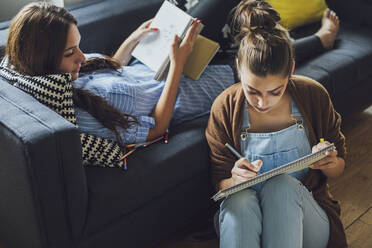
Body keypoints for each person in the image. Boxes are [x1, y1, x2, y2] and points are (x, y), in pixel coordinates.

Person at [205, 1, 346, 247]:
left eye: (275, 91)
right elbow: (221, 183)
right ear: (238, 68)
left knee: (280, 187)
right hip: (248, 217)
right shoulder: (225, 106)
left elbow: (338, 168)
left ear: (290, 70)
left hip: (306, 218)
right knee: (238, 199)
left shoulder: (313, 95)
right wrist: (235, 179)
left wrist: (330, 162)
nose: (262, 102)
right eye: (252, 91)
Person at [3, 1, 235, 147]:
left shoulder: (64, 72)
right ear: (43, 60)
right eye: (70, 52)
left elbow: (112, 69)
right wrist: (177, 64)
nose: (82, 58)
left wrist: (134, 38)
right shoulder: (82, 117)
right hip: (186, 87)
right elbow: (156, 129)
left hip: (158, 61)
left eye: (79, 46)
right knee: (258, 58)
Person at [190, 0, 339, 64]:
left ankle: (320, 40)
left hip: (226, 48)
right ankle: (320, 41)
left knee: (249, 58)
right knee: (247, 62)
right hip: (184, 58)